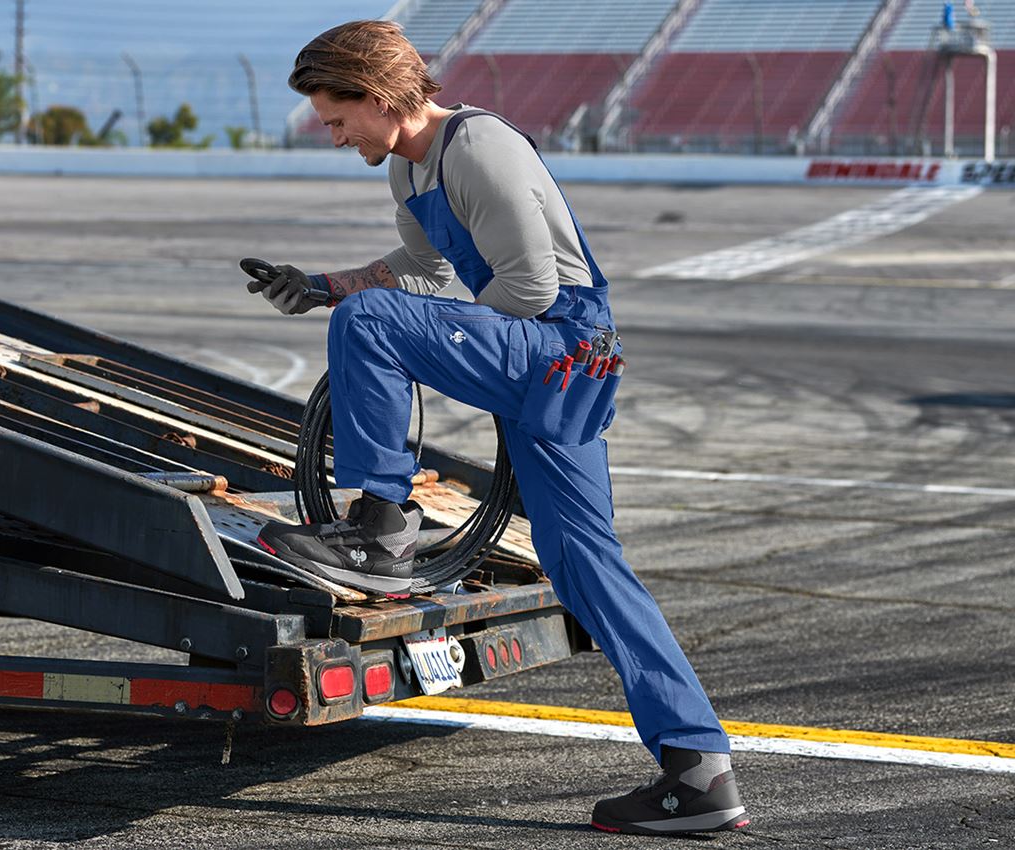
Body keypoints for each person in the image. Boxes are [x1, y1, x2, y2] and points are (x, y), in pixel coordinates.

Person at [252, 20, 748, 837]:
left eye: (337, 119)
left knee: (372, 325)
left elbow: (527, 288)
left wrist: (426, 339)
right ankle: (698, 771)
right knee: (583, 565)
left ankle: (382, 528)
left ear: (378, 99)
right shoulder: (409, 171)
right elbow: (425, 266)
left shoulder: (479, 147)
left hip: (562, 347)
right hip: (541, 363)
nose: (333, 136)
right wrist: (319, 284)